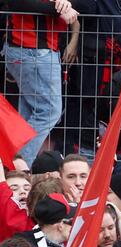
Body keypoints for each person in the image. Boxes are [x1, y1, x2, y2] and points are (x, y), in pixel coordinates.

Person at [2, 0, 77, 165]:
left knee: (30, 113)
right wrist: (58, 8)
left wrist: (65, 4)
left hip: (35, 51)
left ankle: (16, 168)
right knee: (49, 111)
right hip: (32, 50)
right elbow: (16, 4)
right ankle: (17, 166)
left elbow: (87, 6)